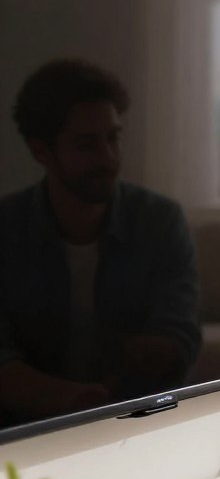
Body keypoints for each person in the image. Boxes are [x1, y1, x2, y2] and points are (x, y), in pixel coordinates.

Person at [0, 59, 201, 424]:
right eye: (86, 145)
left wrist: (126, 376)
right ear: (41, 152)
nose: (107, 158)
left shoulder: (159, 221)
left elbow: (180, 335)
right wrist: (68, 400)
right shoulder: (6, 228)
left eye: (113, 138)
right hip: (22, 433)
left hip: (136, 425)